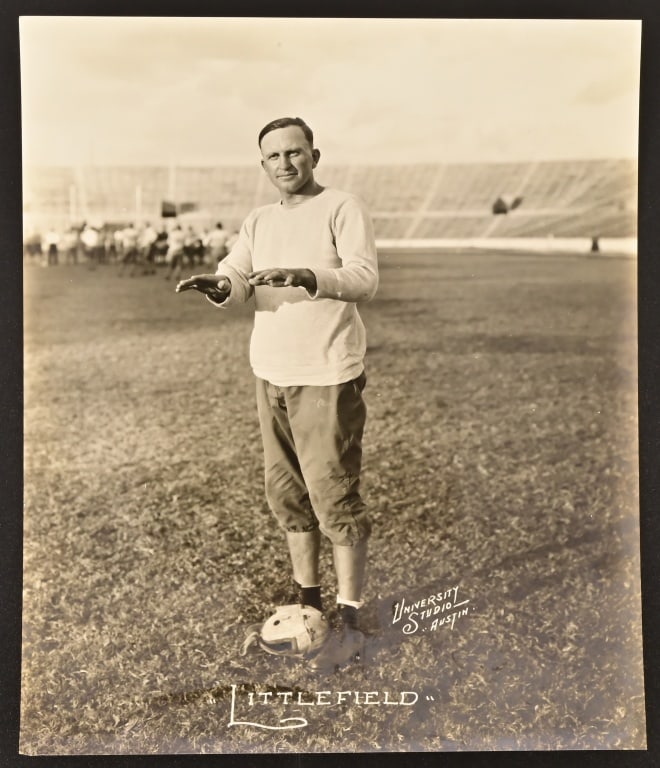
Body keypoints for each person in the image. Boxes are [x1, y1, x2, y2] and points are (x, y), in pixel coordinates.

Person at [176, 117, 378, 670]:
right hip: (271, 372)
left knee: (332, 494)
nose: (285, 163)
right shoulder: (259, 219)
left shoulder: (342, 206)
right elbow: (237, 274)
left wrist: (308, 275)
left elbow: (363, 277)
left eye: (295, 152)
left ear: (315, 154)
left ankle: (352, 618)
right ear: (262, 164)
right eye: (274, 157)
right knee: (287, 494)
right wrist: (218, 285)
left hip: (327, 372)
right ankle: (308, 602)